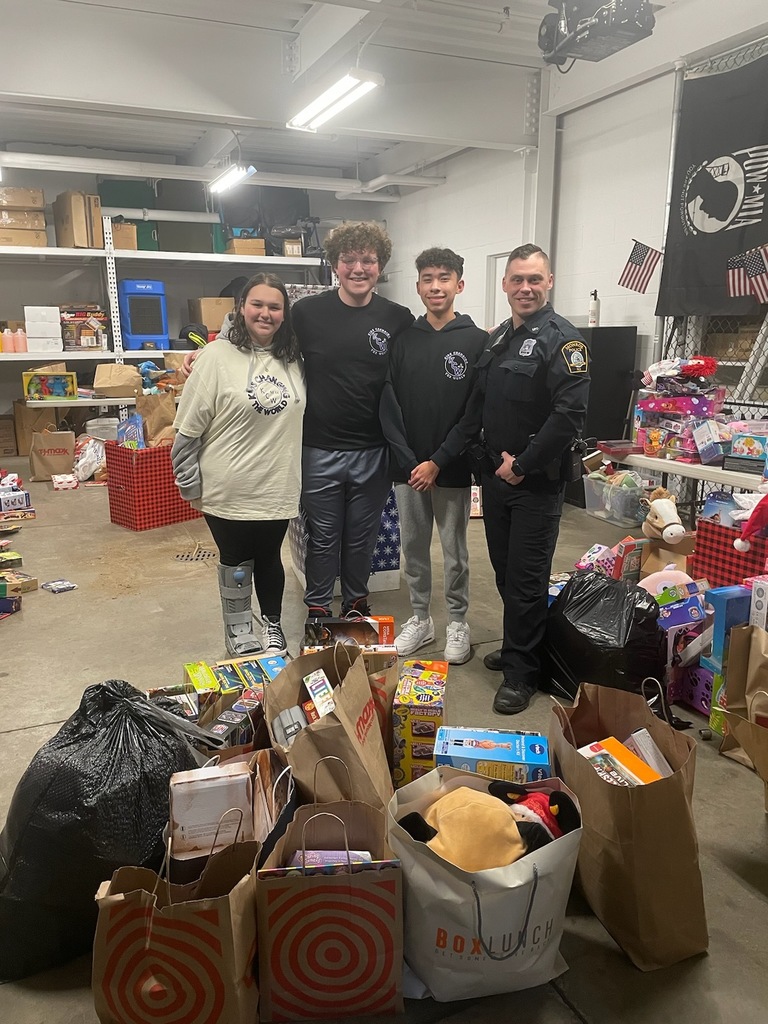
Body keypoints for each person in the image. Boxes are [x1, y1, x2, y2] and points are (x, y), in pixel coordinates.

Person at [476, 243, 590, 714]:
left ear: (549, 283)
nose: (526, 288)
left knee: (526, 578)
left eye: (534, 279)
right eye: (517, 279)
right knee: (506, 572)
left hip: (535, 482)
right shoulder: (500, 335)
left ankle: (523, 673)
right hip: (497, 479)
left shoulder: (565, 340)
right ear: (504, 284)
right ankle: (520, 643)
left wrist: (521, 465)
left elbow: (569, 416)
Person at [172, 273, 306, 658]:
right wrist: (189, 483)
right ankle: (239, 628)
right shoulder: (215, 357)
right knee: (235, 560)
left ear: (284, 314)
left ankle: (273, 625)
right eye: (257, 304)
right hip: (227, 486)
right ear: (241, 308)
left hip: (277, 485)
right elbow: (187, 430)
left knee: (270, 558)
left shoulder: (296, 359)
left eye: (274, 306)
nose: (265, 313)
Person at [292, 222, 414, 618]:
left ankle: (356, 603)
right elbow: (262, 340)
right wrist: (212, 349)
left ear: (381, 266)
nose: (358, 268)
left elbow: (423, 361)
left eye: (368, 260)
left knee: (362, 535)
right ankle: (318, 607)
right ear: (335, 265)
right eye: (349, 260)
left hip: (374, 449)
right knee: (324, 535)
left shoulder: (398, 318)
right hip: (318, 447)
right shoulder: (307, 313)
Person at [380, 247, 488, 664]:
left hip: (452, 466)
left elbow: (473, 412)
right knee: (413, 546)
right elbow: (387, 404)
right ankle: (421, 618)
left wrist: (438, 460)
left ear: (459, 285)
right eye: (427, 278)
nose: (436, 286)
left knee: (454, 548)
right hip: (408, 469)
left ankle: (457, 621)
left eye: (444, 278)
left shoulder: (478, 341)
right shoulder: (403, 341)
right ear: (418, 285)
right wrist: (410, 462)